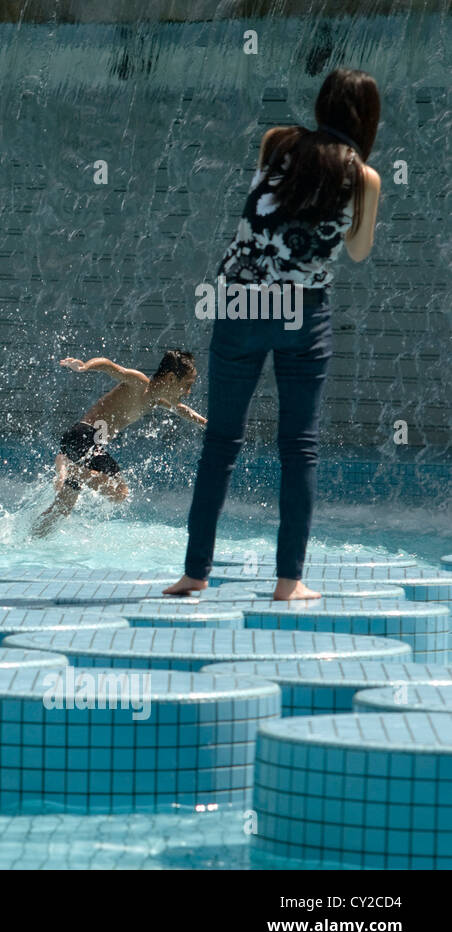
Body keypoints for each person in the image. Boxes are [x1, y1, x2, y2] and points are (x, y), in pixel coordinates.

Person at [165, 68, 381, 600]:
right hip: (302, 314)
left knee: (221, 442)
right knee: (298, 447)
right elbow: (357, 250)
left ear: (322, 105)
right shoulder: (364, 176)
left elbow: (268, 213)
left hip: (240, 302)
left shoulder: (276, 142)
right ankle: (290, 581)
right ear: (368, 118)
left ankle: (195, 573)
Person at [31, 350, 207, 538]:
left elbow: (182, 410)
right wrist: (84, 366)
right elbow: (108, 365)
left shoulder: (155, 400)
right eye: (187, 385)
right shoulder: (140, 383)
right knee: (120, 493)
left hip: (80, 440)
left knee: (62, 509)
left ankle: (30, 538)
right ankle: (71, 468)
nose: (188, 392)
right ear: (171, 378)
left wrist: (207, 424)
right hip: (86, 436)